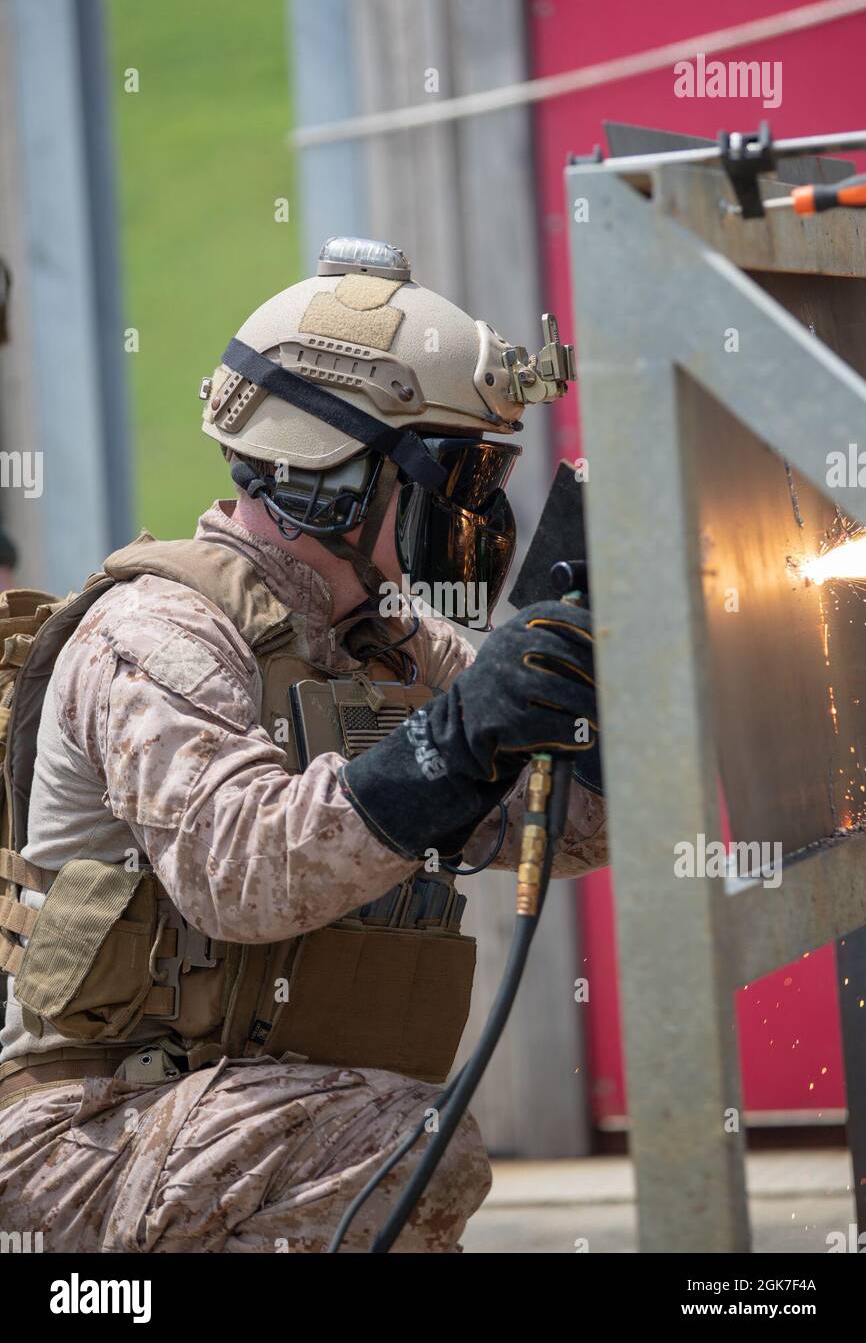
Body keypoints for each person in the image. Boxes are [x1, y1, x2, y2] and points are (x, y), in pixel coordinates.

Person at [0, 237, 606, 1253]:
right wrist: (455, 740)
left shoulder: (391, 642)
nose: (475, 515)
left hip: (245, 1121)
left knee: (394, 1149)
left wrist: (596, 689)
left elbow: (577, 830)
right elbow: (241, 872)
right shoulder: (158, 631)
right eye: (452, 474)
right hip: (86, 1131)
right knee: (403, 1149)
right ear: (333, 472)